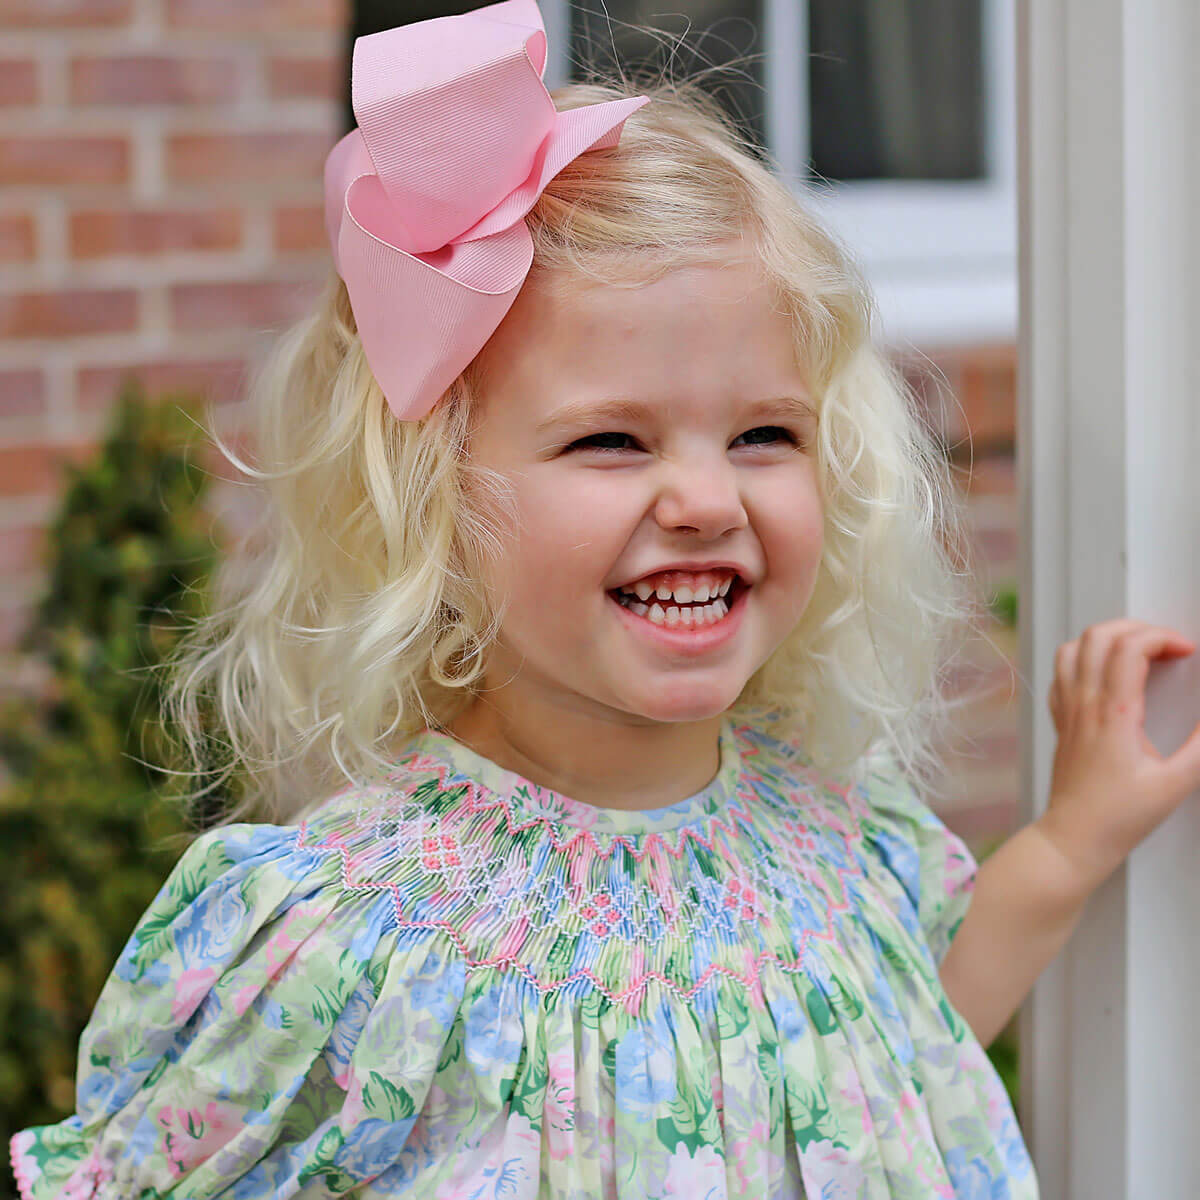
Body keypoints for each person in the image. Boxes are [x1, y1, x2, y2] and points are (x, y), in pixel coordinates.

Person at [12, 1, 1200, 1196]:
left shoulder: (839, 838)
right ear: (438, 495)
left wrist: (1072, 837)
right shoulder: (348, 935)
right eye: (613, 441)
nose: (703, 496)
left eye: (763, 433)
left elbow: (918, 1031)